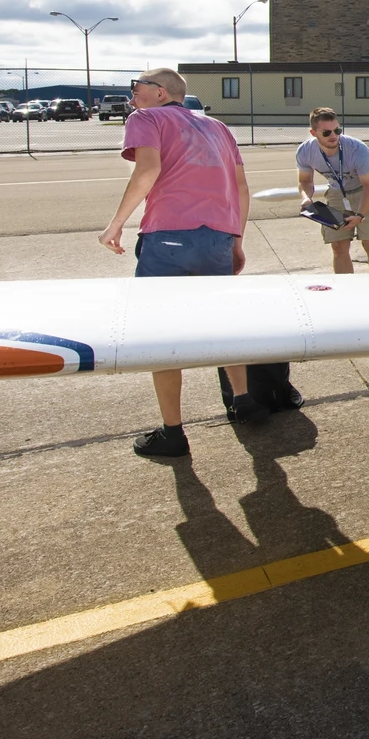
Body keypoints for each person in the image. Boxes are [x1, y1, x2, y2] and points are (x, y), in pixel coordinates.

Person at [98, 67, 259, 457]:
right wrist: (235, 240)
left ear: (161, 92)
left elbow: (148, 170)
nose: (133, 94)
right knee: (222, 324)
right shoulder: (218, 127)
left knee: (160, 335)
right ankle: (243, 401)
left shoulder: (146, 118)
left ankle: (174, 432)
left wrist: (115, 224)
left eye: (138, 87)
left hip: (169, 236)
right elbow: (240, 187)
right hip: (217, 236)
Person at [296, 107, 369, 274]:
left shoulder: (357, 149)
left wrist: (360, 215)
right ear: (313, 132)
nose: (333, 136)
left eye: (337, 130)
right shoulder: (305, 151)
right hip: (337, 191)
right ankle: (346, 290)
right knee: (338, 245)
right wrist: (306, 198)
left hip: (365, 189)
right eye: (326, 132)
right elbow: (305, 181)